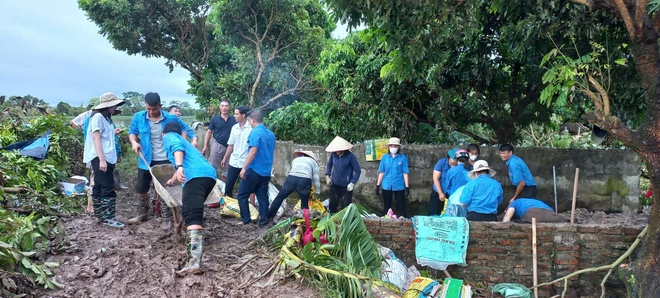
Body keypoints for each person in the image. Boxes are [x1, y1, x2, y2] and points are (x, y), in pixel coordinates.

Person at [127, 92, 197, 229]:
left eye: (154, 109)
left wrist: (192, 141)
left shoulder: (171, 118)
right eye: (148, 109)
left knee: (165, 188)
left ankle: (166, 217)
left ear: (160, 106)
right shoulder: (139, 117)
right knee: (142, 188)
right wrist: (134, 143)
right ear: (145, 106)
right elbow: (132, 133)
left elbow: (187, 129)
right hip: (146, 159)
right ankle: (142, 214)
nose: (151, 112)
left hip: (165, 159)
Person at [161, 122, 217, 275]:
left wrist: (179, 167)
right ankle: (191, 242)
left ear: (163, 134)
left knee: (192, 215)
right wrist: (172, 181)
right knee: (190, 210)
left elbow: (177, 149)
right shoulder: (187, 143)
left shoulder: (170, 137)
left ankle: (194, 261)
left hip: (196, 176)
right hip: (209, 176)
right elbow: (184, 162)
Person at [83, 92, 125, 228]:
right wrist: (101, 160)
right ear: (107, 106)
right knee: (107, 186)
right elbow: (96, 138)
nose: (115, 108)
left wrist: (114, 132)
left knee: (99, 186)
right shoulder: (98, 117)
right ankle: (109, 218)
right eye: (113, 105)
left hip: (107, 156)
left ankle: (100, 216)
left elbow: (104, 136)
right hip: (101, 156)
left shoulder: (106, 119)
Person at [235, 109, 276, 227]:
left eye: (249, 120)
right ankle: (263, 221)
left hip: (254, 169)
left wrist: (243, 168)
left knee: (241, 195)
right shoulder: (270, 134)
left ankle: (246, 220)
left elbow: (253, 151)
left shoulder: (255, 132)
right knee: (262, 195)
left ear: (252, 120)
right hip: (266, 171)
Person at [267, 150, 320, 221]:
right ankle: (304, 223)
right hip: (304, 181)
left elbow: (291, 171)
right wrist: (317, 192)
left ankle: (269, 218)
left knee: (279, 198)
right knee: (304, 204)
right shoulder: (313, 162)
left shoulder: (296, 160)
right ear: (311, 157)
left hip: (291, 179)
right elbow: (316, 178)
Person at [220, 106, 252, 200]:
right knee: (229, 184)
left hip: (245, 162)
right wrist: (225, 158)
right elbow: (231, 144)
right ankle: (228, 205)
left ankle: (247, 205)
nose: (234, 116)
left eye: (237, 114)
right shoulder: (234, 128)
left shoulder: (251, 129)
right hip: (234, 160)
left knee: (246, 186)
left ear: (243, 115)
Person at [324, 136, 361, 213]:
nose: (335, 151)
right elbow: (329, 164)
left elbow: (358, 170)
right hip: (335, 184)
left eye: (337, 150)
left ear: (342, 149)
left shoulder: (351, 156)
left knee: (345, 207)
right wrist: (327, 176)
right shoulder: (333, 155)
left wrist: (352, 183)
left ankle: (345, 223)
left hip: (346, 186)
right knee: (332, 205)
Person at [202, 100, 236, 181]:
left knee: (227, 169)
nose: (224, 108)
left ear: (229, 107)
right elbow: (209, 132)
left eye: (226, 106)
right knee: (212, 166)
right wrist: (205, 145)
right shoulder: (215, 119)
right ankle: (210, 185)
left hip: (230, 147)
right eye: (222, 106)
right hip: (217, 145)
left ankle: (224, 189)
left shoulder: (234, 119)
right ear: (219, 107)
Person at [376, 137, 410, 218]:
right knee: (387, 206)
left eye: (395, 146)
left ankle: (403, 222)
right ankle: (386, 222)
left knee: (401, 206)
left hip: (399, 185)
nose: (393, 148)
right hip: (386, 185)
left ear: (398, 147)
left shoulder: (403, 158)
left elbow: (405, 173)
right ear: (389, 147)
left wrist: (407, 187)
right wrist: (377, 185)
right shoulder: (384, 158)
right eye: (391, 146)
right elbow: (382, 172)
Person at [429, 148, 458, 215]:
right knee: (434, 212)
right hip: (439, 190)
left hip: (452, 193)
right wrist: (440, 193)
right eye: (454, 159)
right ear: (449, 157)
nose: (455, 162)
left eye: (457, 160)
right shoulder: (441, 163)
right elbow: (436, 178)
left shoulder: (459, 166)